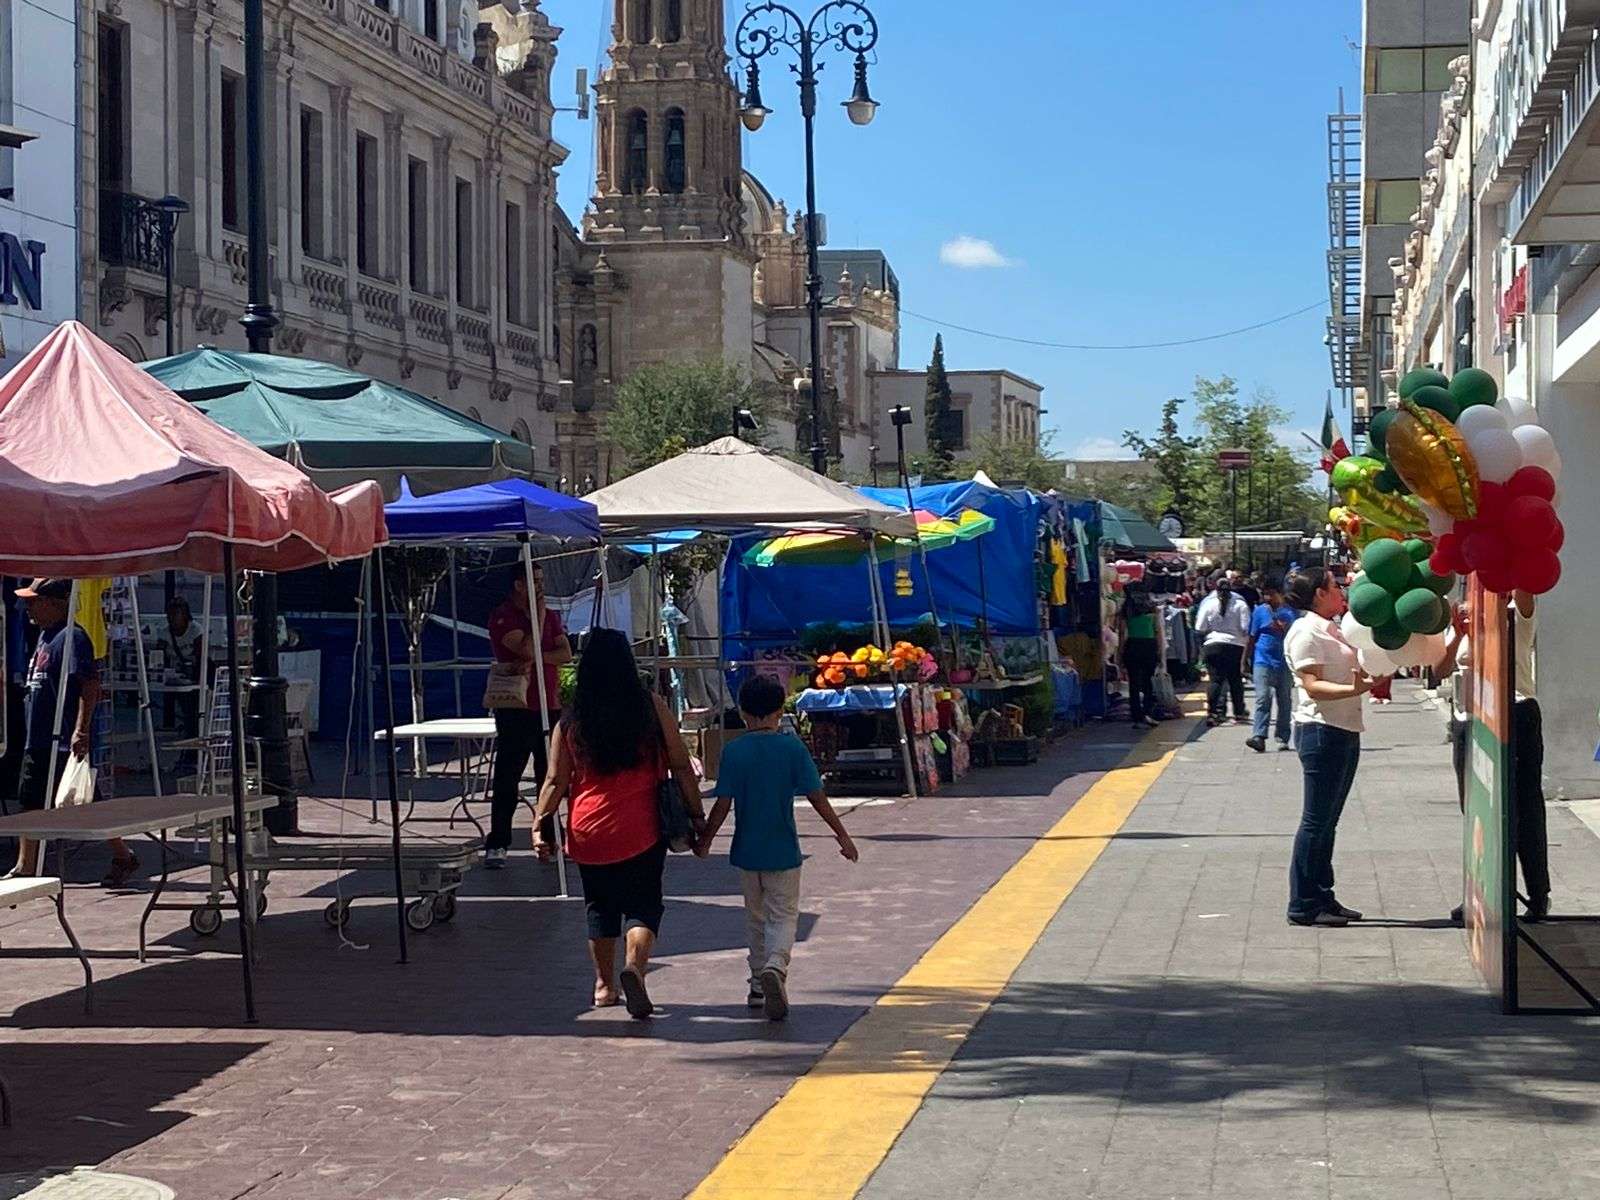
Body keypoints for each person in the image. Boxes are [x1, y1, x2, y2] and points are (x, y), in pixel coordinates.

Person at [531, 628, 704, 1018]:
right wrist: (696, 816)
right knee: (643, 904)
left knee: (599, 907)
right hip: (641, 827)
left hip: (587, 829)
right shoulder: (650, 707)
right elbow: (680, 764)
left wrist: (540, 822)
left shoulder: (571, 720)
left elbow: (555, 780)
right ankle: (634, 968)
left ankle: (603, 987)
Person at [697, 676, 858, 1020]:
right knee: (783, 916)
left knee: (755, 919)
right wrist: (842, 836)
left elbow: (722, 804)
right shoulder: (792, 749)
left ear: (743, 712)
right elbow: (817, 797)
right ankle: (776, 965)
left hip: (746, 852)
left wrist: (706, 840)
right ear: (779, 711)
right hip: (783, 851)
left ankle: (758, 984)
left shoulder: (734, 751)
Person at [1, 579, 138, 885]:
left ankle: (122, 855)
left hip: (60, 738)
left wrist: (81, 730)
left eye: (34, 602)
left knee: (83, 805)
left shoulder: (73, 637)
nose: (28, 608)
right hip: (38, 736)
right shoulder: (44, 636)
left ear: (53, 603)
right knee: (32, 800)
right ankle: (26, 864)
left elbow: (89, 685)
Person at [1437, 590, 1549, 923]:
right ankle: (1482, 892)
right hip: (1470, 719)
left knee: (1523, 807)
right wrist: (1459, 634)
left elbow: (1525, 590)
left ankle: (1537, 892)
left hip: (1514, 712)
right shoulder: (1463, 618)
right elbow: (1439, 668)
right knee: (1476, 809)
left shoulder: (1516, 611)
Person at [1283, 567, 1378, 927]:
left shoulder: (1333, 628)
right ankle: (1303, 902)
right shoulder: (1306, 632)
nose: (1342, 591)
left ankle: (1323, 894)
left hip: (1345, 727)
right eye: (1334, 586)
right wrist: (1353, 689)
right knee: (1316, 820)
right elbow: (1312, 685)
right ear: (1319, 594)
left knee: (1328, 822)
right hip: (1322, 730)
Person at [484, 565, 572, 868]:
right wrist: (539, 617)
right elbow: (524, 647)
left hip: (549, 704)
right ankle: (498, 842)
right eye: (534, 581)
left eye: (542, 580)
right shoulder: (503, 616)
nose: (540, 586)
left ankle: (550, 837)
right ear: (518, 585)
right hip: (516, 707)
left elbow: (565, 653)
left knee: (551, 775)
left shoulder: (552, 616)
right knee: (508, 776)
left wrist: (537, 657)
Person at [1245, 579, 1297, 753]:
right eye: (1265, 594)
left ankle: (1282, 738)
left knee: (1285, 700)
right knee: (1263, 697)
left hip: (1285, 662)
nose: (1267, 598)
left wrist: (1284, 628)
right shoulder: (1259, 611)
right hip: (1263, 661)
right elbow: (1251, 637)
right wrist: (1245, 660)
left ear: (1280, 594)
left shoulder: (1291, 612)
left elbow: (1298, 636)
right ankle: (1259, 736)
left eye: (1271, 594)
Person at [1194, 574, 1251, 726]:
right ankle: (1239, 713)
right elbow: (1245, 628)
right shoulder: (1240, 605)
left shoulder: (1208, 604)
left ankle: (1213, 713)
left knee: (1215, 680)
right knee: (1235, 680)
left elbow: (1200, 627)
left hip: (1213, 645)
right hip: (1235, 646)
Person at [1116, 585, 1163, 730]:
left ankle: (1136, 717)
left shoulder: (1126, 610)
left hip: (1132, 646)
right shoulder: (1152, 609)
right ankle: (1148, 713)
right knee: (1148, 682)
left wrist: (1120, 654)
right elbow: (1158, 631)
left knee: (1134, 684)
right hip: (1149, 646)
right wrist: (1160, 652)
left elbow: (1122, 634)